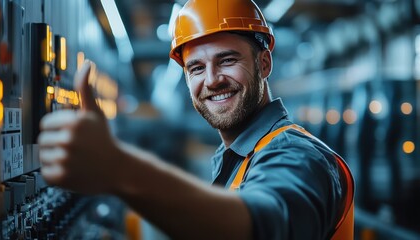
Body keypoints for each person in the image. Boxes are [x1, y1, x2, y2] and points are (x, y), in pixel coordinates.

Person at [38, 0, 354, 239]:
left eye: (227, 60)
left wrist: (120, 170)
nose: (212, 80)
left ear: (265, 63)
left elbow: (262, 224)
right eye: (196, 68)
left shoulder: (295, 155)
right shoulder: (238, 156)